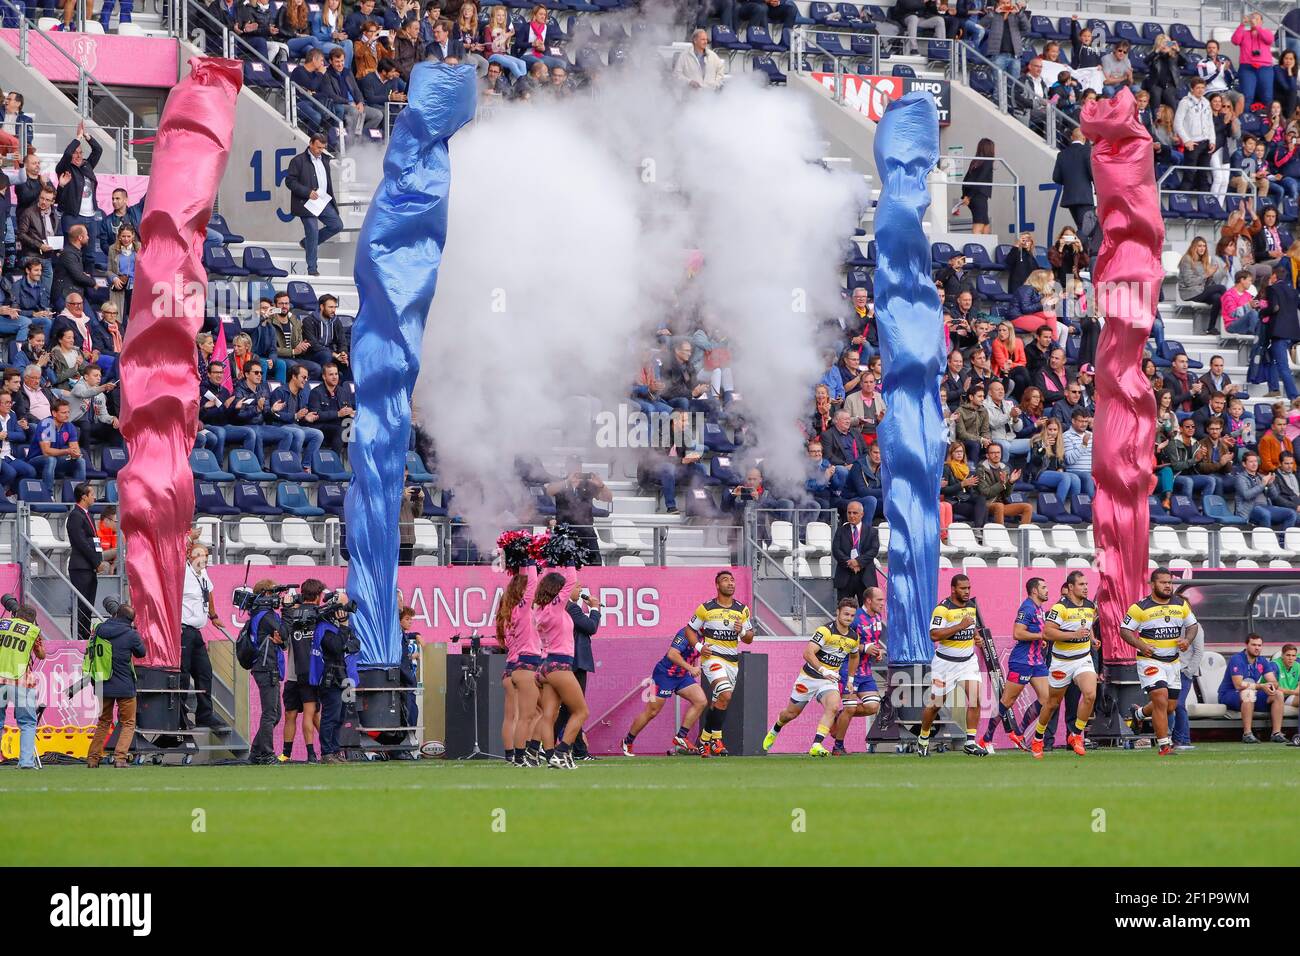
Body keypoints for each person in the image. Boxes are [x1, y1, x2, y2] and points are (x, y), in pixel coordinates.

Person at [762, 598, 859, 757]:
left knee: (833, 706)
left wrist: (850, 679)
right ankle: (776, 728)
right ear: (837, 612)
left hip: (828, 681)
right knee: (791, 714)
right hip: (809, 678)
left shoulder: (853, 637)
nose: (848, 618)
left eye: (852, 615)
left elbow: (855, 657)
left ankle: (816, 744)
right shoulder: (825, 631)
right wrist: (823, 669)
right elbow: (808, 653)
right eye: (846, 614)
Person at [1120, 568, 1198, 757]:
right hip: (1150, 661)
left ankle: (1138, 714)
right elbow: (1125, 630)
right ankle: (1164, 745)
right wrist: (1140, 644)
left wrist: (1187, 640)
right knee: (1160, 697)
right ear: (1152, 584)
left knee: (1169, 706)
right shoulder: (1140, 607)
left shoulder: (1180, 604)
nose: (1167, 586)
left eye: (1169, 582)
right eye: (1163, 582)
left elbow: (1193, 626)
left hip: (1173, 662)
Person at [1028, 571, 1099, 758]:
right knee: (1052, 703)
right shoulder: (1060, 608)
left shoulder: (1091, 606)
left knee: (1090, 695)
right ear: (1070, 588)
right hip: (1062, 662)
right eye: (1081, 584)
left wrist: (1091, 639)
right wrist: (1072, 635)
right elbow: (1048, 633)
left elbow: (1087, 625)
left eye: (1086, 584)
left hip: (1083, 659)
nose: (1085, 587)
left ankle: (1076, 735)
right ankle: (1037, 738)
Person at [978, 576, 1051, 753]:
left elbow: (1033, 632)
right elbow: (1017, 633)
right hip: (1022, 661)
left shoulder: (1039, 608)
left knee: (1046, 698)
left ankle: (1018, 732)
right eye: (1043, 587)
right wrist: (1040, 637)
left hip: (1036, 661)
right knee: (1007, 701)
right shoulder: (1026, 607)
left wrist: (1038, 641)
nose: (1047, 589)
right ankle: (985, 738)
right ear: (1034, 590)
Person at [917, 574, 987, 756]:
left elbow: (971, 629)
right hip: (945, 665)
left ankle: (970, 742)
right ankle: (923, 738)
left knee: (976, 699)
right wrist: (960, 626)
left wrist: (976, 637)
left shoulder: (971, 606)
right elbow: (934, 635)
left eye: (968, 588)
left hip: (967, 662)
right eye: (963, 588)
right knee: (935, 705)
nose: (967, 591)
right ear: (953, 589)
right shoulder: (943, 609)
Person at [687, 570, 753, 758]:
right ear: (717, 585)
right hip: (712, 658)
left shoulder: (742, 610)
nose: (730, 583)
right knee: (725, 693)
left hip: (732, 661)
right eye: (725, 580)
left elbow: (749, 639)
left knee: (721, 701)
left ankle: (709, 737)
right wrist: (699, 647)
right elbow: (689, 630)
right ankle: (713, 738)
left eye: (732, 580)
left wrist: (741, 632)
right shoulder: (706, 608)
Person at [622, 626, 708, 757]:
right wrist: (691, 668)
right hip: (663, 675)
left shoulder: (706, 636)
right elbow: (672, 654)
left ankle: (681, 737)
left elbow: (692, 654)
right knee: (652, 711)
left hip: (682, 676)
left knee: (700, 701)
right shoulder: (686, 632)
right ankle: (627, 741)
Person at [83, 602, 145, 769]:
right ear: (131, 620)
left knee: (104, 721)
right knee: (128, 723)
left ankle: (92, 759)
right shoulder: (131, 634)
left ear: (116, 614)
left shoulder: (99, 630)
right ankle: (120, 758)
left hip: (103, 683)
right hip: (125, 685)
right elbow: (142, 653)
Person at [535, 563, 584, 770]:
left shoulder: (540, 610)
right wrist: (570, 560)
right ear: (557, 591)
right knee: (581, 711)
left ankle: (550, 755)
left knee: (549, 714)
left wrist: (550, 563)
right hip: (559, 665)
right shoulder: (555, 609)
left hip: (545, 665)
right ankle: (562, 751)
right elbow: (571, 581)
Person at [828, 586, 886, 754]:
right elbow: (840, 640)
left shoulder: (877, 619)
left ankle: (839, 717)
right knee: (851, 707)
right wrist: (863, 648)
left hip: (866, 672)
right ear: (868, 601)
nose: (882, 603)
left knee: (873, 707)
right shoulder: (855, 618)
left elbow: (870, 644)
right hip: (848, 669)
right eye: (879, 600)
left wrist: (877, 652)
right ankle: (838, 746)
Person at [497, 560, 544, 766]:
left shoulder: (506, 615)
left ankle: (511, 755)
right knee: (535, 714)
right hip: (526, 665)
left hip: (509, 669)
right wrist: (530, 561)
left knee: (511, 717)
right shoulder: (523, 610)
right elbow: (533, 583)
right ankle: (525, 752)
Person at [181, 545, 228, 733]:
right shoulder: (182, 572)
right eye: (198, 554)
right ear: (188, 555)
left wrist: (214, 615)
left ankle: (204, 714)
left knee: (204, 672)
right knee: (183, 675)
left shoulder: (202, 573)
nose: (203, 558)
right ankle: (179, 714)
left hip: (196, 631)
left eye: (206, 555)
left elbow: (209, 591)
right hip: (182, 629)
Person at [285, 134, 343, 277]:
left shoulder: (325, 158)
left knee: (337, 225)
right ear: (310, 143)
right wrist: (307, 192)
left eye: (323, 148)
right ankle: (312, 268)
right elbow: (289, 182)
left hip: (322, 201)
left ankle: (307, 243)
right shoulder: (298, 160)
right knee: (312, 231)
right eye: (318, 147)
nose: (320, 150)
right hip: (306, 203)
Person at [554, 582, 599, 761]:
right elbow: (590, 627)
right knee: (574, 707)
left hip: (571, 660)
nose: (581, 590)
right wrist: (595, 610)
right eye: (578, 587)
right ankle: (544, 744)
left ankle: (577, 749)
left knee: (570, 707)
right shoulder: (571, 608)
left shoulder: (565, 607)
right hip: (576, 661)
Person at [282, 579, 325, 763]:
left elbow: (281, 640)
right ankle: (296, 754)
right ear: (318, 596)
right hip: (308, 672)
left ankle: (288, 754)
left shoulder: (291, 614)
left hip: (295, 672)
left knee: (300, 714)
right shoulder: (319, 615)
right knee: (308, 713)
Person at [1217, 633, 1288, 743]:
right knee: (1248, 693)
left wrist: (1271, 686)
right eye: (1254, 645)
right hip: (1229, 694)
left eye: (1259, 645)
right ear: (1246, 645)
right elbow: (1238, 685)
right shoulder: (1237, 659)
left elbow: (1274, 681)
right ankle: (1247, 734)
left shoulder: (1262, 660)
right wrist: (1261, 686)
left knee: (1278, 694)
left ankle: (1276, 733)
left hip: (1251, 693)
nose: (1257, 648)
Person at [244, 580, 286, 764]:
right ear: (265, 594)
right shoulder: (265, 615)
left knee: (274, 714)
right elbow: (284, 633)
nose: (277, 597)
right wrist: (289, 613)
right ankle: (267, 754)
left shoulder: (260, 614)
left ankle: (256, 753)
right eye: (273, 593)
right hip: (266, 666)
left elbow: (282, 640)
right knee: (270, 714)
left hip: (266, 666)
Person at [543, 457, 612, 565]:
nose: (576, 468)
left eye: (578, 465)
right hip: (564, 531)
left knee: (595, 565)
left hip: (586, 531)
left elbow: (608, 498)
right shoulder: (561, 482)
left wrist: (601, 485)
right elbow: (549, 491)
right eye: (572, 465)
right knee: (562, 565)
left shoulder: (588, 484)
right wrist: (567, 481)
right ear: (567, 467)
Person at [0, 603, 44, 770]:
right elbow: (41, 654)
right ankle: (26, 762)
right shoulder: (33, 631)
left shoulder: (2, 624)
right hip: (21, 681)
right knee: (27, 723)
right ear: (32, 620)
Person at [54, 125, 102, 277]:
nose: (78, 155)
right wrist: (78, 137)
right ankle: (70, 281)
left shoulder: (87, 165)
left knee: (90, 255)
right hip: (73, 216)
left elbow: (98, 150)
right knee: (71, 253)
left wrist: (87, 135)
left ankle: (90, 283)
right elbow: (68, 153)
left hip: (90, 216)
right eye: (76, 153)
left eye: (81, 153)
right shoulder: (64, 167)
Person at [1232, 451, 1297, 529]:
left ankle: (1282, 540)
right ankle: (1266, 540)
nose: (1254, 464)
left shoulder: (1260, 476)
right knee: (1265, 514)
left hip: (1265, 506)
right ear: (1244, 464)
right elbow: (1246, 495)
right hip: (1250, 509)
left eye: (1256, 461)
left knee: (1291, 513)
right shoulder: (1240, 478)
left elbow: (1274, 496)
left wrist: (1270, 484)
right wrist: (1262, 484)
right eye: (1251, 462)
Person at [831, 499, 878, 605]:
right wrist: (850, 562)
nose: (851, 515)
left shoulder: (872, 531)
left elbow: (873, 550)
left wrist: (858, 562)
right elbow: (836, 550)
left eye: (855, 513)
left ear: (862, 514)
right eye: (849, 512)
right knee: (845, 610)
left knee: (867, 612)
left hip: (865, 577)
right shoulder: (840, 531)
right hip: (845, 576)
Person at [976, 441, 1032, 525]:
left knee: (1028, 507)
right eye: (993, 453)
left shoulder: (1005, 468)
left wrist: (1010, 482)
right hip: (987, 504)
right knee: (999, 506)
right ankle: (1001, 535)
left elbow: (1006, 494)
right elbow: (985, 493)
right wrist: (1001, 483)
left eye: (998, 452)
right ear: (987, 455)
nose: (996, 455)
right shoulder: (981, 469)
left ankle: (1023, 536)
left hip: (1002, 504)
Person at [1051, 128, 1094, 236]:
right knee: (1087, 229)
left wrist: (1070, 182)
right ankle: (1082, 251)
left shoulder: (1062, 154)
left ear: (1071, 138)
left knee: (1081, 227)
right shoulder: (1087, 151)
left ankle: (1079, 250)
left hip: (1069, 198)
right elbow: (1092, 172)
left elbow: (1056, 177)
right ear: (1084, 138)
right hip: (1084, 197)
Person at [1232, 12, 1275, 108]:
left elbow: (1269, 40)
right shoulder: (1244, 33)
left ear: (1261, 21)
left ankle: (1270, 122)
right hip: (1247, 67)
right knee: (1247, 97)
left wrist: (1258, 28)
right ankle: (1246, 121)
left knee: (1267, 97)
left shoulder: (1266, 31)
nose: (1254, 20)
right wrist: (1242, 24)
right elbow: (1235, 41)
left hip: (1265, 68)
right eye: (1252, 18)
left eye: (1257, 18)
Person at [957, 138, 994, 234]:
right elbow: (980, 180)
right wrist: (968, 197)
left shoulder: (975, 162)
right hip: (978, 195)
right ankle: (975, 246)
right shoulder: (988, 161)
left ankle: (986, 246)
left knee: (985, 222)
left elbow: (966, 180)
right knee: (979, 222)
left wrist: (965, 195)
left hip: (973, 196)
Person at [980, 0, 1027, 74]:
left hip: (1015, 56)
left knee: (1014, 84)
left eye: (1008, 3)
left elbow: (1026, 28)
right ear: (998, 4)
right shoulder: (993, 14)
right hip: (997, 55)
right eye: (1003, 3)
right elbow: (981, 25)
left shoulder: (1016, 15)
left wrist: (1019, 13)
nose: (1006, 4)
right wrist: (994, 13)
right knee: (998, 83)